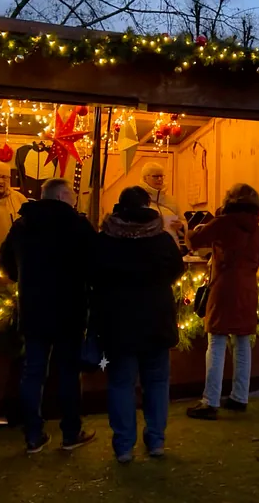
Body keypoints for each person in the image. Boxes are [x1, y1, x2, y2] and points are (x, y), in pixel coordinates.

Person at [0, 178, 97, 454]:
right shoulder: (78, 225)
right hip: (70, 309)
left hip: (33, 308)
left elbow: (7, 262)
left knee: (33, 373)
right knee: (68, 372)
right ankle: (70, 432)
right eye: (74, 196)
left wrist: (24, 280)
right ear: (64, 195)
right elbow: (95, 264)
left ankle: (33, 435)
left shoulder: (22, 225)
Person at [94, 186, 184, 464]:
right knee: (156, 383)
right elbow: (178, 268)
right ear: (147, 206)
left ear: (119, 207)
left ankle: (123, 447)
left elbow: (92, 273)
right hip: (156, 319)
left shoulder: (105, 240)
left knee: (121, 384)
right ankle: (156, 440)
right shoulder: (161, 239)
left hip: (118, 323)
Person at [186, 184, 259, 421]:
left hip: (224, 288)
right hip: (248, 289)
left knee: (217, 343)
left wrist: (187, 229)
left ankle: (210, 401)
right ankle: (239, 397)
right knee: (242, 343)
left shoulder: (224, 222)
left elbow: (195, 240)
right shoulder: (258, 227)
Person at [140, 162, 183, 241]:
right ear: (145, 178)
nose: (160, 179)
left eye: (161, 176)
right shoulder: (138, 200)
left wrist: (181, 226)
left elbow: (182, 221)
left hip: (172, 249)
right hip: (147, 249)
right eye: (155, 176)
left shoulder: (171, 200)